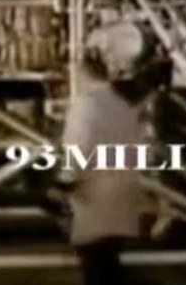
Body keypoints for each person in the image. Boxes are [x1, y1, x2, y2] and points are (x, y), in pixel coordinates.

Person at [60, 60, 158, 285]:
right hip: (124, 192)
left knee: (96, 266)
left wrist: (66, 179)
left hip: (93, 193)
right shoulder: (123, 106)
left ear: (81, 75)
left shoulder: (85, 106)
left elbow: (80, 147)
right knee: (109, 262)